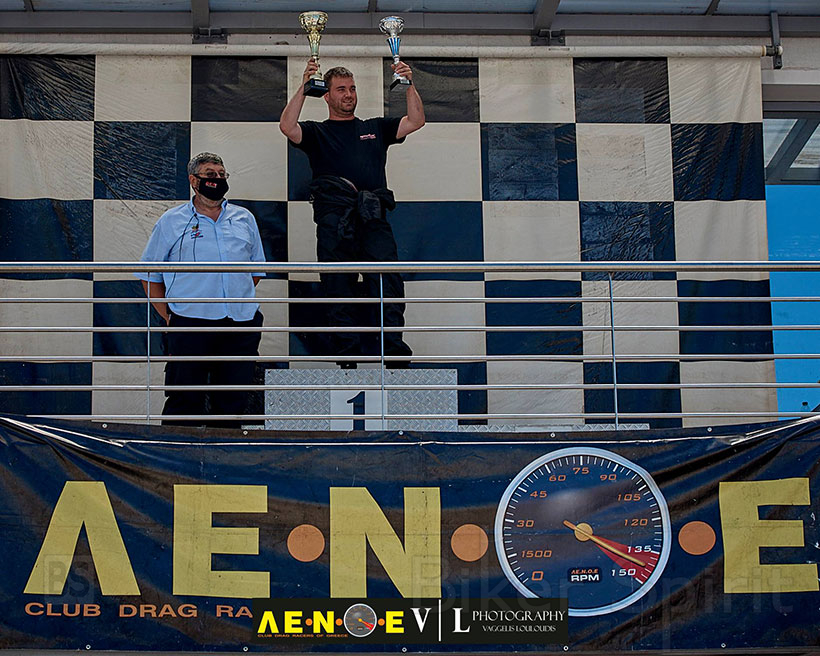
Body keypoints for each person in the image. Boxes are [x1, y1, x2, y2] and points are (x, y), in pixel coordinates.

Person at [279, 59, 425, 368]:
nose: (349, 94)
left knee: (387, 282)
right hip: (335, 219)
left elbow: (416, 121)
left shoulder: (374, 127)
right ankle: (347, 356)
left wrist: (409, 84)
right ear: (327, 95)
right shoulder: (317, 131)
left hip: (372, 218)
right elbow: (287, 127)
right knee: (338, 285)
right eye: (341, 89)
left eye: (353, 88)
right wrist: (304, 88)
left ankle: (393, 352)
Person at [135, 152, 266, 428]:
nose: (216, 179)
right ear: (194, 181)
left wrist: (229, 295)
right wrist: (169, 316)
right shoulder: (171, 220)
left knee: (233, 399)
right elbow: (149, 274)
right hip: (190, 322)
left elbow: (255, 272)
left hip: (240, 322)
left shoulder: (244, 218)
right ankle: (177, 453)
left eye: (221, 175)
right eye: (209, 175)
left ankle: (224, 451)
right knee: (184, 398)